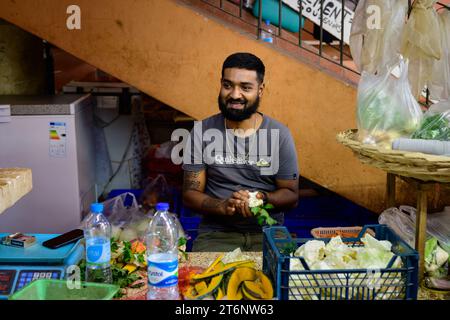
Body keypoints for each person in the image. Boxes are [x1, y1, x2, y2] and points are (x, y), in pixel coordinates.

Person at [182, 52, 299, 252]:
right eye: (228, 85)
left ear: (260, 90)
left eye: (245, 87)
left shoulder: (279, 134)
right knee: (206, 281)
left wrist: (262, 199)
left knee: (280, 281)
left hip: (268, 233)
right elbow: (190, 193)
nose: (235, 95)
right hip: (216, 234)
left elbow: (291, 195)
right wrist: (222, 206)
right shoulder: (201, 132)